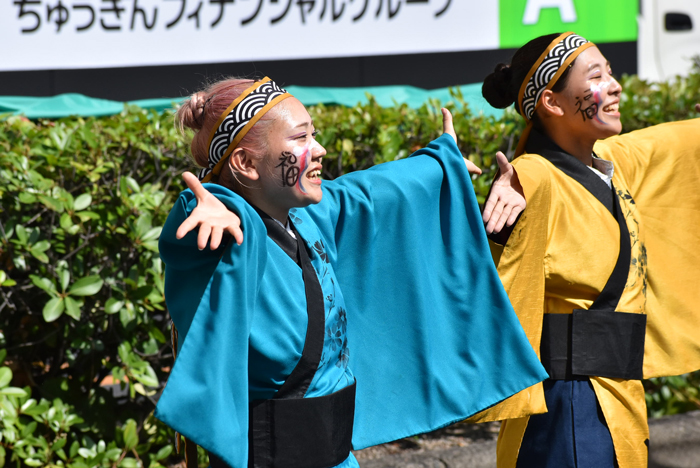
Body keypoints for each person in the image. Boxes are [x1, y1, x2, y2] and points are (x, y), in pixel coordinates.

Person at [154, 77, 548, 468]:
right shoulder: (227, 236)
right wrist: (208, 205)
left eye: (315, 134)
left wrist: (440, 166)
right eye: (300, 139)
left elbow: (370, 192)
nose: (319, 149)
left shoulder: (308, 219)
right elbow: (203, 222)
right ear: (245, 163)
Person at [469, 32, 700, 468]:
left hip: (615, 394)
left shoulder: (609, 162)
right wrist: (515, 194)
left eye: (611, 73)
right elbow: (527, 179)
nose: (614, 85)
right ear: (553, 103)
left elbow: (674, 147)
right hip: (567, 407)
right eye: (597, 76)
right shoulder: (533, 173)